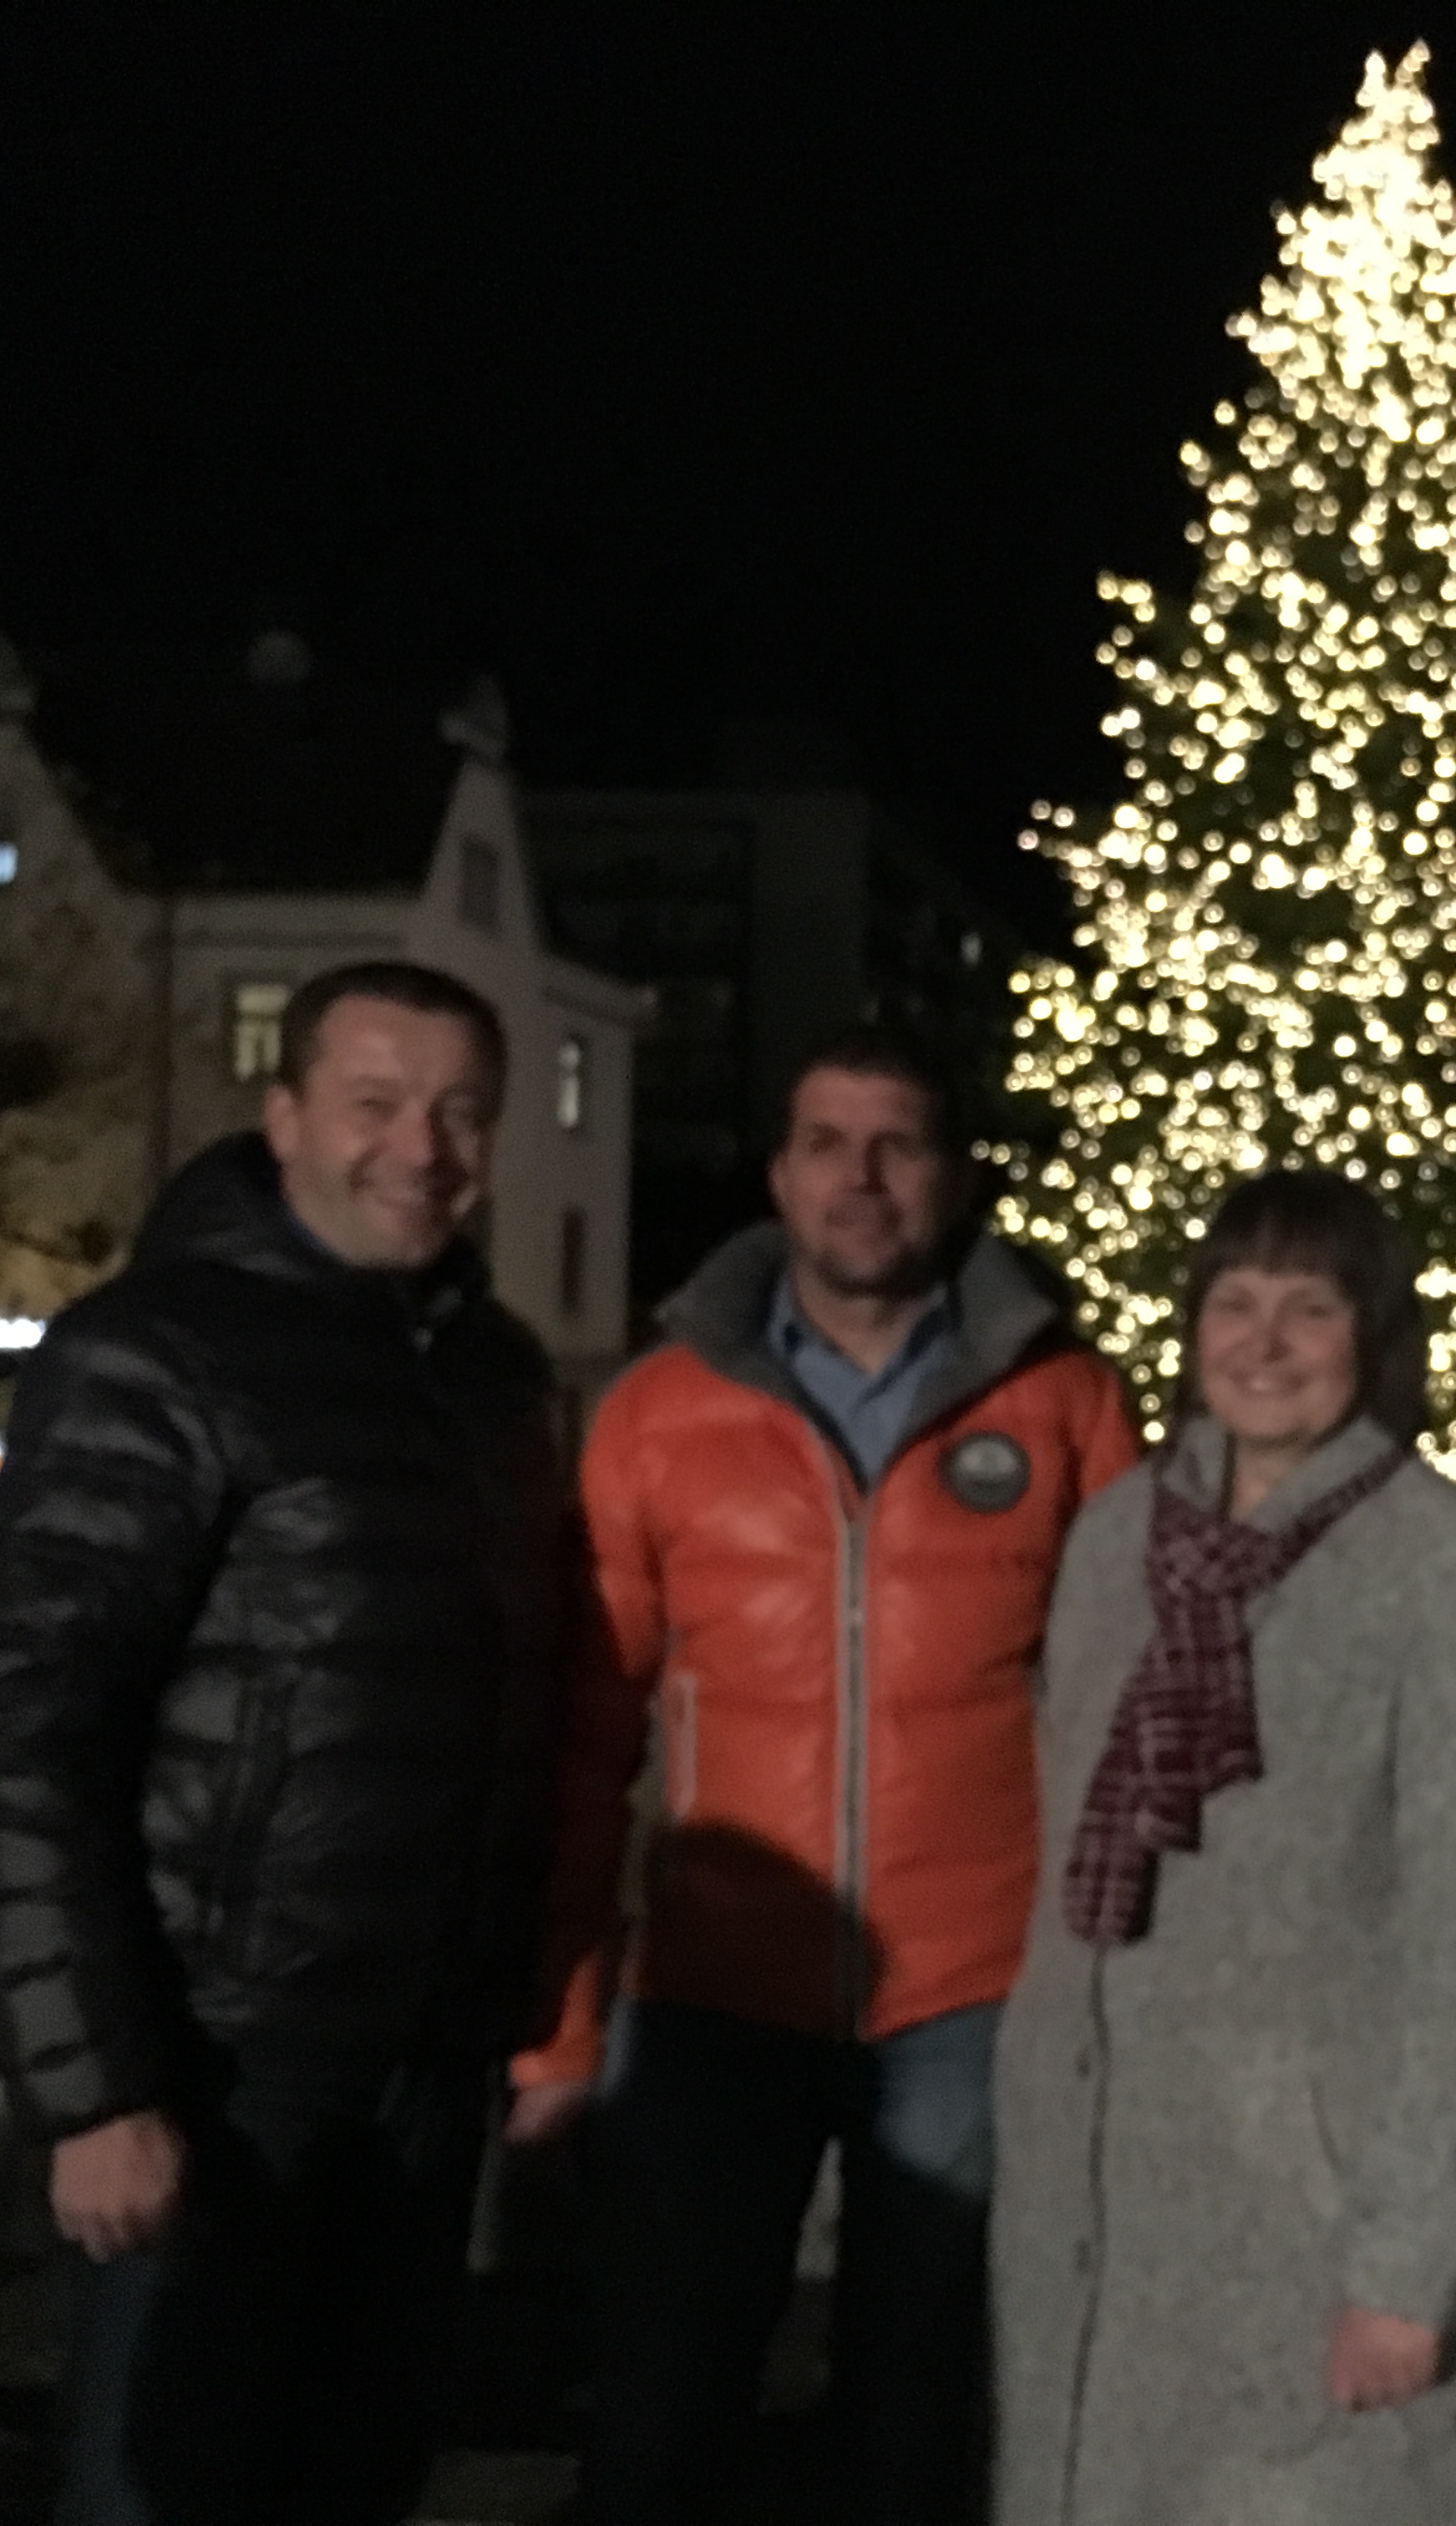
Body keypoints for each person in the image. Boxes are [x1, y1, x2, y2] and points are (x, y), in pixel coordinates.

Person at [0, 961, 578, 2526]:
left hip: (416, 2076)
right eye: (374, 1104)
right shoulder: (154, 1351)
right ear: (283, 1114)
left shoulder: (488, 1377)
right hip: (216, 2074)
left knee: (348, 2489)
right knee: (169, 2491)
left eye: (457, 1113)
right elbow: (25, 1731)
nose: (418, 1148)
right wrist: (93, 2092)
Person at [510, 1023, 1140, 2523]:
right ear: (779, 1174)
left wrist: (1117, 2001)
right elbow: (592, 1737)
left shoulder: (1064, 1403)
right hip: (719, 1994)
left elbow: (1130, 1719)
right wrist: (559, 2030)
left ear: (953, 1170)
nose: (863, 1180)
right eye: (827, 1145)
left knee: (929, 2418)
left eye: (899, 1143)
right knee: (664, 2404)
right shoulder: (658, 1412)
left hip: (972, 1996)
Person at [993, 1171, 1456, 2526]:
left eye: (1309, 1310)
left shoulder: (1449, 1577)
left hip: (1322, 2218)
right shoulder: (1115, 1540)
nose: (1262, 1343)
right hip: (1112, 2195)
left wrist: (1418, 2259)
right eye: (1235, 1302)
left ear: (1373, 1341)